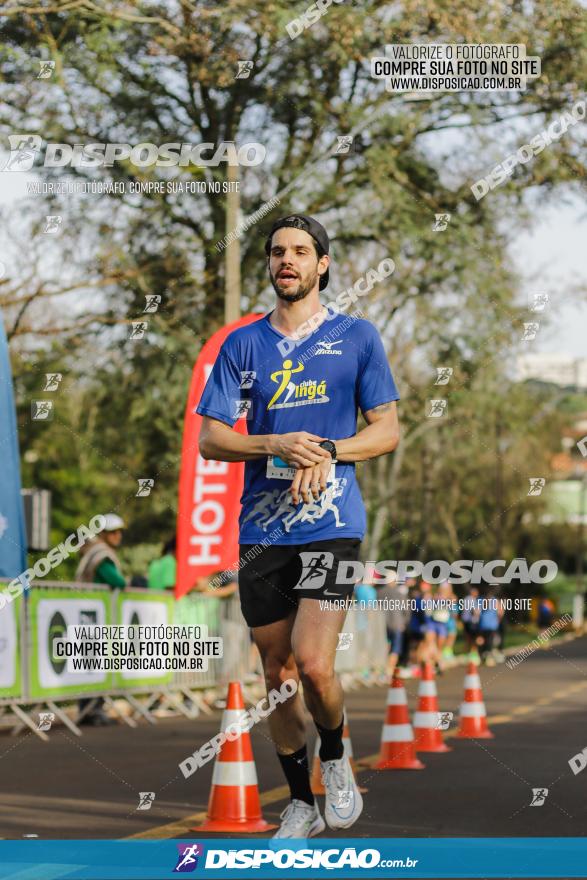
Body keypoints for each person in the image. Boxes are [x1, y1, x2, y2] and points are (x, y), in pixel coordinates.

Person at [196, 214, 400, 838]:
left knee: (315, 663)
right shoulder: (241, 346)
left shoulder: (357, 337)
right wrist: (273, 443)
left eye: (301, 251)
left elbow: (387, 431)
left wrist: (327, 453)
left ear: (323, 265)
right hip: (262, 529)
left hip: (333, 522)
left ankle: (334, 758)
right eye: (278, 251)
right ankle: (301, 803)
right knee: (277, 672)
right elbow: (212, 439)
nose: (288, 260)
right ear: (270, 265)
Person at [75, 512, 127, 725]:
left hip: (89, 615)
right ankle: (92, 710)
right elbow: (117, 581)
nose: (118, 536)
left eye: (119, 532)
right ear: (103, 534)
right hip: (92, 616)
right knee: (94, 664)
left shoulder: (93, 551)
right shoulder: (101, 555)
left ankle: (90, 710)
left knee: (91, 663)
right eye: (113, 532)